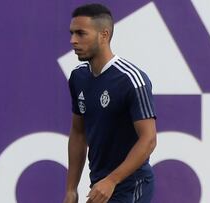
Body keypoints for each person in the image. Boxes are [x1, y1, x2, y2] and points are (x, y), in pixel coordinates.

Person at [63, 3, 157, 203]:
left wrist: (112, 180)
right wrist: (71, 189)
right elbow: (79, 134)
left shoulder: (131, 79)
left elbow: (148, 139)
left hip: (131, 185)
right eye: (71, 33)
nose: (73, 40)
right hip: (99, 186)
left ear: (103, 35)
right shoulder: (78, 78)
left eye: (81, 34)